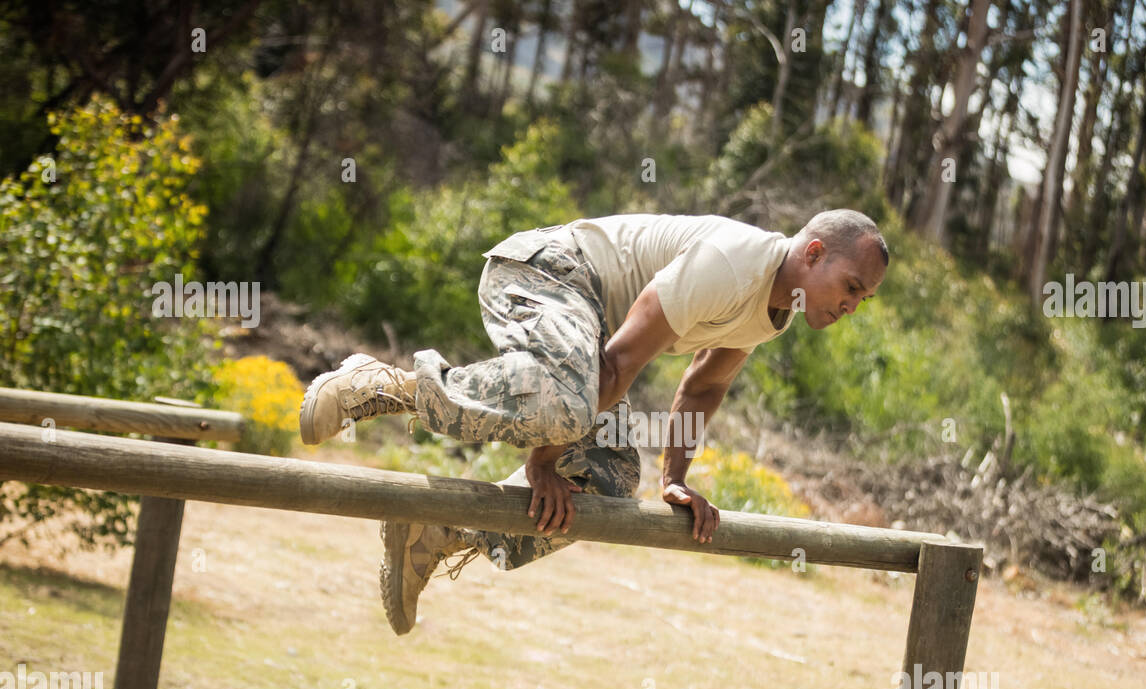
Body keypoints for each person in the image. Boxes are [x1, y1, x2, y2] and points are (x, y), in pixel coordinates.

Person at [298, 209, 889, 634]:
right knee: (573, 401)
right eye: (851, 286)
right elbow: (617, 364)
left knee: (608, 477)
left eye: (864, 301)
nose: (851, 306)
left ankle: (437, 531)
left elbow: (704, 385)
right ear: (813, 253)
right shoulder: (734, 264)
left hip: (585, 342)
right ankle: (382, 386)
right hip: (547, 273)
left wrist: (674, 478)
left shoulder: (775, 310)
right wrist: (542, 460)